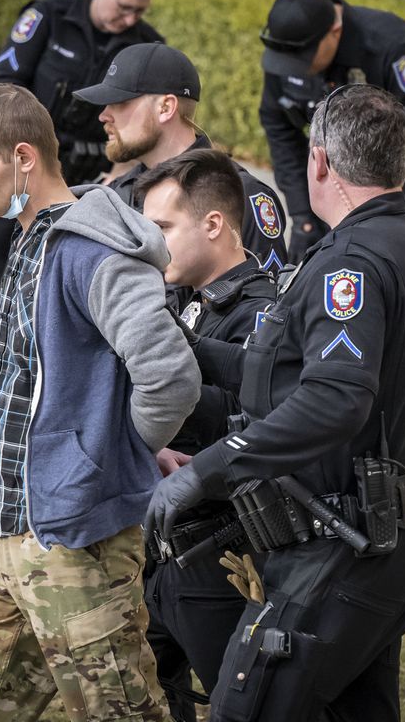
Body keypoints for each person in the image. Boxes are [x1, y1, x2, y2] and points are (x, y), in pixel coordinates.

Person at [145, 84, 405, 721]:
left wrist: (206, 470)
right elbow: (279, 377)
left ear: (319, 162)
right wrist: (179, 345)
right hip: (377, 544)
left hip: (336, 553)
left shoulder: (354, 264)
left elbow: (334, 400)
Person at [0, 83, 200, 722]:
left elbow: (170, 374)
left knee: (122, 714)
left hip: (77, 544)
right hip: (5, 527)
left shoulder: (88, 252)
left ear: (22, 157)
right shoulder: (28, 237)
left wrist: (113, 452)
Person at [0, 0, 163, 383]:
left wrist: (123, 170)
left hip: (83, 185)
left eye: (139, 11)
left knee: (53, 300)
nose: (129, 18)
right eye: (124, 6)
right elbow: (2, 90)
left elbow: (149, 125)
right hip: (14, 175)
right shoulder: (48, 19)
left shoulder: (144, 45)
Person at [133, 149, 276, 722]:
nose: (152, 242)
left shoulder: (264, 319)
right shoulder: (184, 303)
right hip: (160, 552)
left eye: (163, 227)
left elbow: (264, 422)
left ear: (213, 224)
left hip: (219, 555)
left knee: (240, 706)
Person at [259, 0, 405, 255]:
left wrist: (376, 219)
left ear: (334, 31)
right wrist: (303, 214)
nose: (297, 69)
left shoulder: (393, 47)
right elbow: (278, 125)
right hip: (329, 199)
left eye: (304, 60)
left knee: (391, 287)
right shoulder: (291, 46)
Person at [74, 43, 289, 274]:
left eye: (120, 102)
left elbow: (264, 299)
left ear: (166, 107)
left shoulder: (240, 193)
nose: (103, 115)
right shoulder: (119, 194)